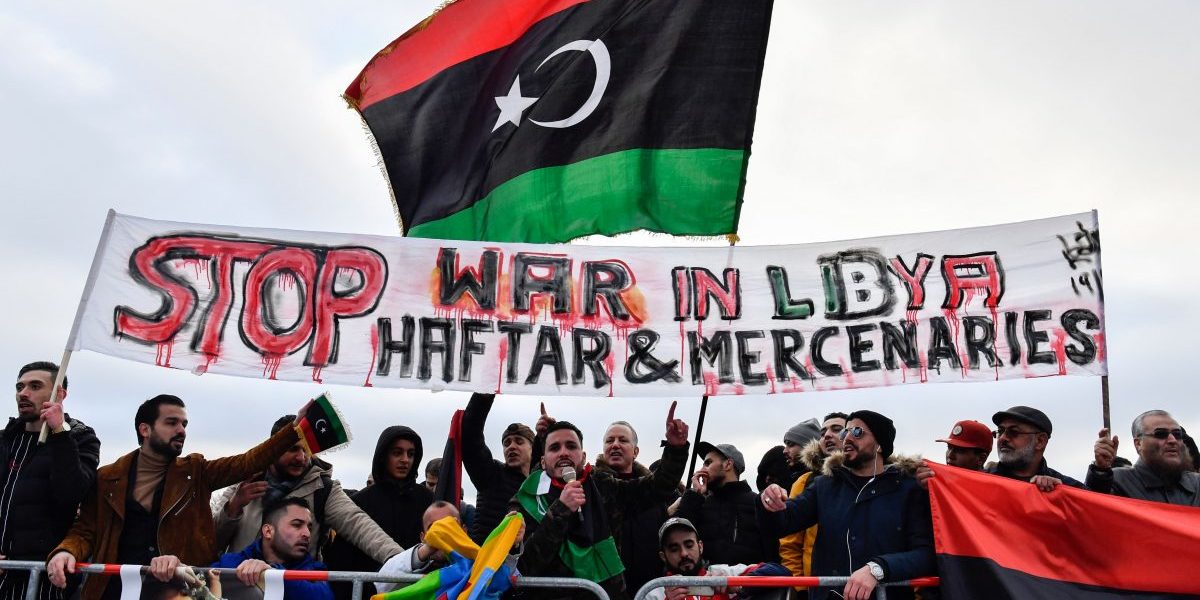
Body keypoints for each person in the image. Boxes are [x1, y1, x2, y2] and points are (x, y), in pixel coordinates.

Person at [46, 394, 307, 600]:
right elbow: (86, 529)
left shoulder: (197, 471)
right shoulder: (107, 477)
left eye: (184, 424)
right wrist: (66, 552)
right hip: (116, 590)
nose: (181, 430)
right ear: (145, 429)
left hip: (180, 591)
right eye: (172, 423)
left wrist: (293, 429)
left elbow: (248, 462)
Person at [512, 402, 690, 600]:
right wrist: (561, 511)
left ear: (583, 457)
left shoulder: (602, 485)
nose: (564, 452)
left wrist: (676, 449)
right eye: (555, 447)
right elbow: (523, 566)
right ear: (543, 461)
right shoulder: (525, 499)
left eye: (571, 446)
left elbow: (656, 488)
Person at [759, 410, 935, 600]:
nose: (847, 438)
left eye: (857, 432)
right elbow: (784, 522)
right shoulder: (825, 485)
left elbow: (926, 555)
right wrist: (769, 501)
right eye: (845, 432)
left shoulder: (908, 489)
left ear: (879, 445)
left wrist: (879, 568)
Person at [212, 415, 401, 562]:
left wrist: (403, 561)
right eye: (293, 449)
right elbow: (211, 542)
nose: (301, 457)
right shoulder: (244, 482)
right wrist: (233, 508)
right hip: (239, 588)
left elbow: (358, 525)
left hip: (295, 590)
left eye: (307, 449)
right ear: (273, 448)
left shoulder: (324, 489)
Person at [0, 361, 101, 600]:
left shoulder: (81, 438)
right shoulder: (5, 440)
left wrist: (59, 433)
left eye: (35, 386)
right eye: (20, 387)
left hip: (46, 579)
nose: (24, 393)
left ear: (59, 394)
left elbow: (71, 493)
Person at [594, 420, 675, 594]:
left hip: (651, 591)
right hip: (605, 592)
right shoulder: (591, 489)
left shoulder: (654, 496)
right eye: (609, 441)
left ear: (636, 452)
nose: (615, 445)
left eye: (623, 440)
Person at [777, 411, 846, 592]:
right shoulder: (806, 481)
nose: (827, 435)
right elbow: (790, 543)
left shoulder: (880, 479)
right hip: (817, 588)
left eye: (836, 429)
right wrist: (799, 587)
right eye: (822, 433)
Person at [678, 442, 778, 566]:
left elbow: (772, 553)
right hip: (706, 578)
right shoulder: (699, 504)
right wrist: (694, 495)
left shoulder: (758, 504)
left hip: (750, 578)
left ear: (728, 464)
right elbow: (676, 535)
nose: (702, 470)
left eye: (708, 463)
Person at [212, 498, 333, 600]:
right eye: (297, 525)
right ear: (268, 531)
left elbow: (324, 596)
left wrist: (274, 575)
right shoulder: (230, 563)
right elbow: (204, 581)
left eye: (309, 528)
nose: (307, 534)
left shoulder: (314, 570)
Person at [646, 517, 787, 600]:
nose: (683, 553)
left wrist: (738, 586)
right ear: (663, 556)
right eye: (674, 549)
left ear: (700, 547)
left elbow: (782, 572)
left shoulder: (723, 573)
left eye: (689, 545)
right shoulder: (654, 591)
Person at [461, 393, 536, 543]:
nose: (511, 447)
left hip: (525, 557)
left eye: (519, 441)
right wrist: (484, 395)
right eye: (507, 443)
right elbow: (470, 435)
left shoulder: (541, 485)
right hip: (486, 556)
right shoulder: (492, 473)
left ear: (533, 448)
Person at [1086, 410, 1200, 505]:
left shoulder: (1197, 484)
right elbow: (1092, 508)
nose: (1172, 440)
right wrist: (1101, 470)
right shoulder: (1118, 481)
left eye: (1177, 434)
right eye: (1160, 434)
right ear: (1138, 444)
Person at [986, 406, 1085, 490]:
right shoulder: (982, 480)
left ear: (1040, 441)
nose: (1002, 438)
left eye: (1014, 432)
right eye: (1000, 431)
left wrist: (1060, 494)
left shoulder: (1069, 488)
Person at [782, 419, 821, 484]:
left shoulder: (819, 482)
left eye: (790, 444)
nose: (784, 451)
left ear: (807, 446)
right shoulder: (795, 478)